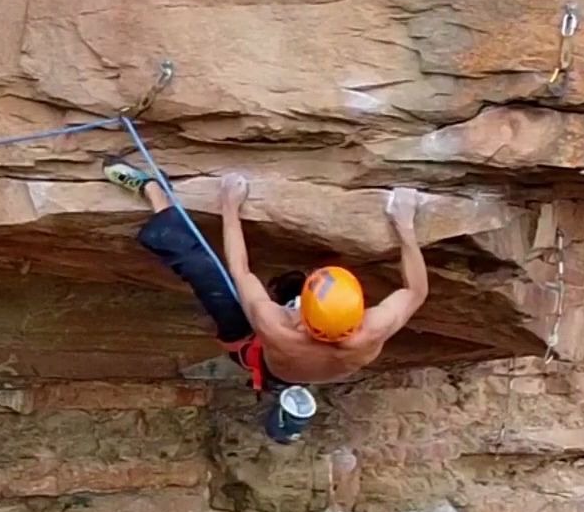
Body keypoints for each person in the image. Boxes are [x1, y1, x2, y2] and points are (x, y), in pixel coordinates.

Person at [105, 162, 429, 394]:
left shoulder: (272, 323)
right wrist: (405, 225)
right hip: (301, 366)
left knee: (202, 269)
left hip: (262, 348)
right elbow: (415, 291)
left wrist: (230, 206)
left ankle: (155, 192)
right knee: (304, 272)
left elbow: (240, 270)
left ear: (300, 320)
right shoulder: (372, 330)